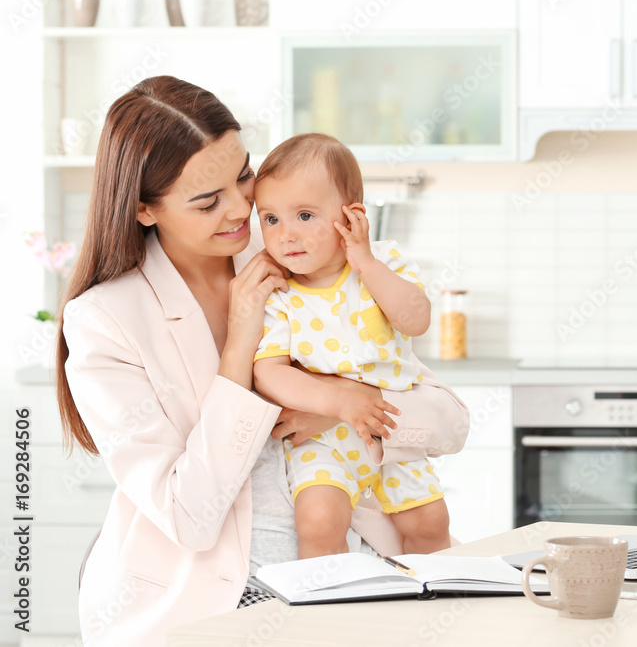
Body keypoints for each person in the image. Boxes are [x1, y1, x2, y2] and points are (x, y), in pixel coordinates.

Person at [55, 76, 469, 647]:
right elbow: (190, 516)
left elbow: (449, 420)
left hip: (350, 562)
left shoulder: (298, 250)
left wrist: (337, 410)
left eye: (243, 176)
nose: (243, 210)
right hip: (210, 598)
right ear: (146, 210)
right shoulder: (105, 320)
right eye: (208, 200)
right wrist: (238, 346)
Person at [252, 133, 453, 559]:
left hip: (389, 434)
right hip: (322, 441)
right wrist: (339, 403)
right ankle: (319, 615)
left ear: (351, 216)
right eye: (270, 219)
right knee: (320, 522)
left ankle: (435, 597)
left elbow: (415, 319)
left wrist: (365, 262)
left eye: (304, 215)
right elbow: (269, 372)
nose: (285, 234)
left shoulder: (384, 262)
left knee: (431, 523)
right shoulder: (281, 294)